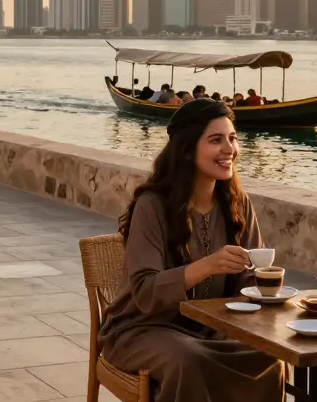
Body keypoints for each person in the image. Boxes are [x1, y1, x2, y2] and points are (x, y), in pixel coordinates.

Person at [99, 98, 285, 402]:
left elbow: (252, 279)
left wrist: (263, 286)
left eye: (233, 138)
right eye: (216, 140)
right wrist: (208, 266)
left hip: (212, 326)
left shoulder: (238, 204)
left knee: (269, 359)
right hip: (142, 329)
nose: (230, 149)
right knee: (189, 361)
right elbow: (145, 291)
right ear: (187, 150)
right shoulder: (153, 205)